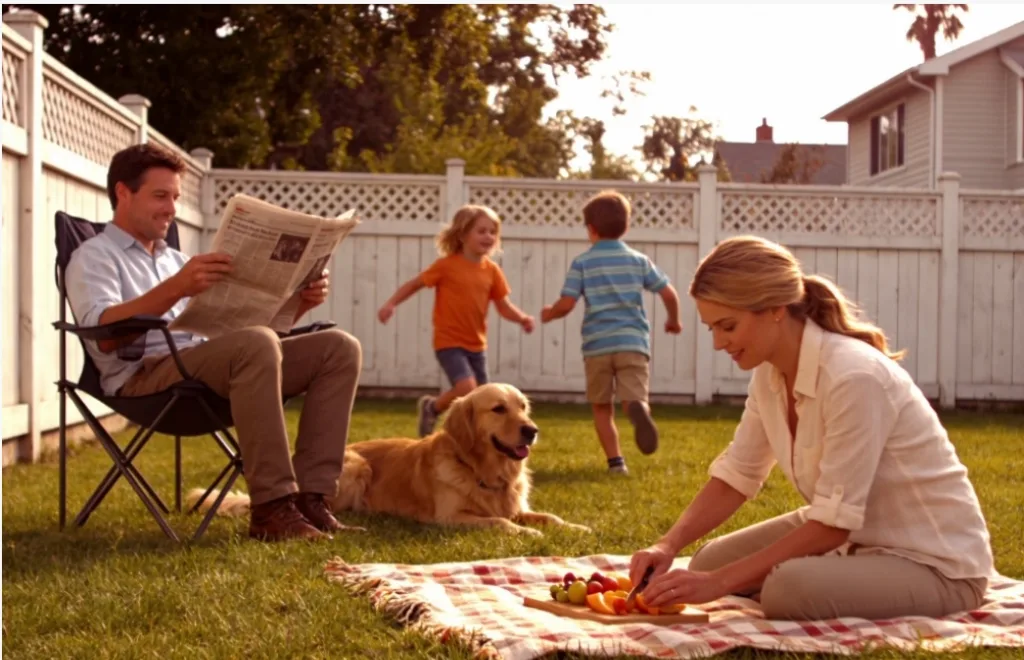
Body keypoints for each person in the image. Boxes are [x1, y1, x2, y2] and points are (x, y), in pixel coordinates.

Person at [629, 235, 995, 621]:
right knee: (708, 561)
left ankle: (814, 582)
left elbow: (832, 525)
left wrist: (719, 583)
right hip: (855, 538)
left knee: (786, 590)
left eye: (728, 326)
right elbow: (737, 475)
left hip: (936, 565)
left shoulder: (853, 377)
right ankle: (825, 579)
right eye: (712, 329)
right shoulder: (770, 375)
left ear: (775, 308)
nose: (719, 343)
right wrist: (667, 545)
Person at [65, 143, 364, 543]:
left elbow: (238, 333)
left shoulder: (173, 260)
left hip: (208, 365)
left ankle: (311, 499)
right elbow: (103, 335)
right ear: (123, 192)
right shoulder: (95, 255)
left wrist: (300, 305)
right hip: (146, 379)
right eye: (160, 195)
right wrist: (177, 288)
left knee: (338, 348)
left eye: (175, 197)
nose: (171, 208)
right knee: (255, 344)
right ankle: (272, 508)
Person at [541, 190, 682, 474]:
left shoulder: (583, 263)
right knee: (633, 397)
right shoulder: (638, 260)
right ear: (625, 227)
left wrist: (550, 313)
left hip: (597, 346)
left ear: (591, 229)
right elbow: (668, 293)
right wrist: (673, 321)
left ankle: (616, 462)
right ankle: (637, 409)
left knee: (602, 407)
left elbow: (567, 303)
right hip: (632, 343)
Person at [377, 204, 534, 437]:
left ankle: (474, 438)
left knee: (483, 397)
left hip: (477, 345)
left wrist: (522, 318)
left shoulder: (492, 271)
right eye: (481, 231)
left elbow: (503, 306)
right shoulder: (446, 266)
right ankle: (433, 407)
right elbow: (414, 284)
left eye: (493, 232)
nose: (488, 236)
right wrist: (391, 303)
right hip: (449, 342)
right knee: (467, 388)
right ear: (462, 235)